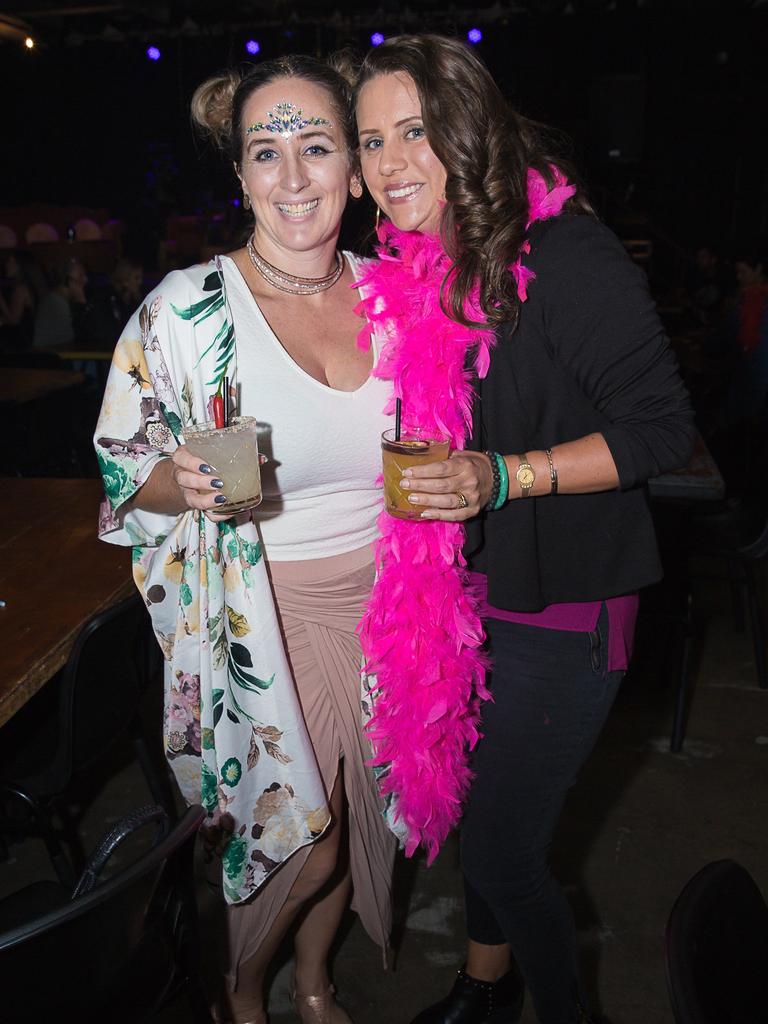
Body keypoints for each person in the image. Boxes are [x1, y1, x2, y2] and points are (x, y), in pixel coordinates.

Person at [353, 35, 696, 1024]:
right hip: (480, 600)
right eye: (373, 139)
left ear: (469, 132)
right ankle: (482, 987)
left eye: (413, 129)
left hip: (570, 606)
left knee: (506, 846)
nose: (389, 160)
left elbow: (663, 429)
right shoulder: (429, 270)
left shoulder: (563, 252)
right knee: (478, 813)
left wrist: (506, 476)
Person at [94, 55, 396, 1024]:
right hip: (263, 613)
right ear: (241, 177)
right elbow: (117, 466)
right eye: (267, 151)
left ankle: (313, 981)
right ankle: (240, 990)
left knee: (355, 836)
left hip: (393, 612)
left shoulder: (404, 301)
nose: (294, 174)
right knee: (299, 837)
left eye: (317, 146)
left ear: (355, 169)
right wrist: (170, 478)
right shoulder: (184, 313)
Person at [32, 256, 91, 349]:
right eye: (81, 276)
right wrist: (81, 302)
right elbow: (82, 336)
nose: (85, 280)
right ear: (68, 281)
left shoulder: (59, 300)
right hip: (53, 356)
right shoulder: (57, 304)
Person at [0, 251, 45, 350]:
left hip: (20, 343)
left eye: (10, 261)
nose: (6, 264)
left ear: (20, 265)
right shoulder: (31, 285)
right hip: (27, 339)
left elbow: (14, 321)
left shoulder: (21, 288)